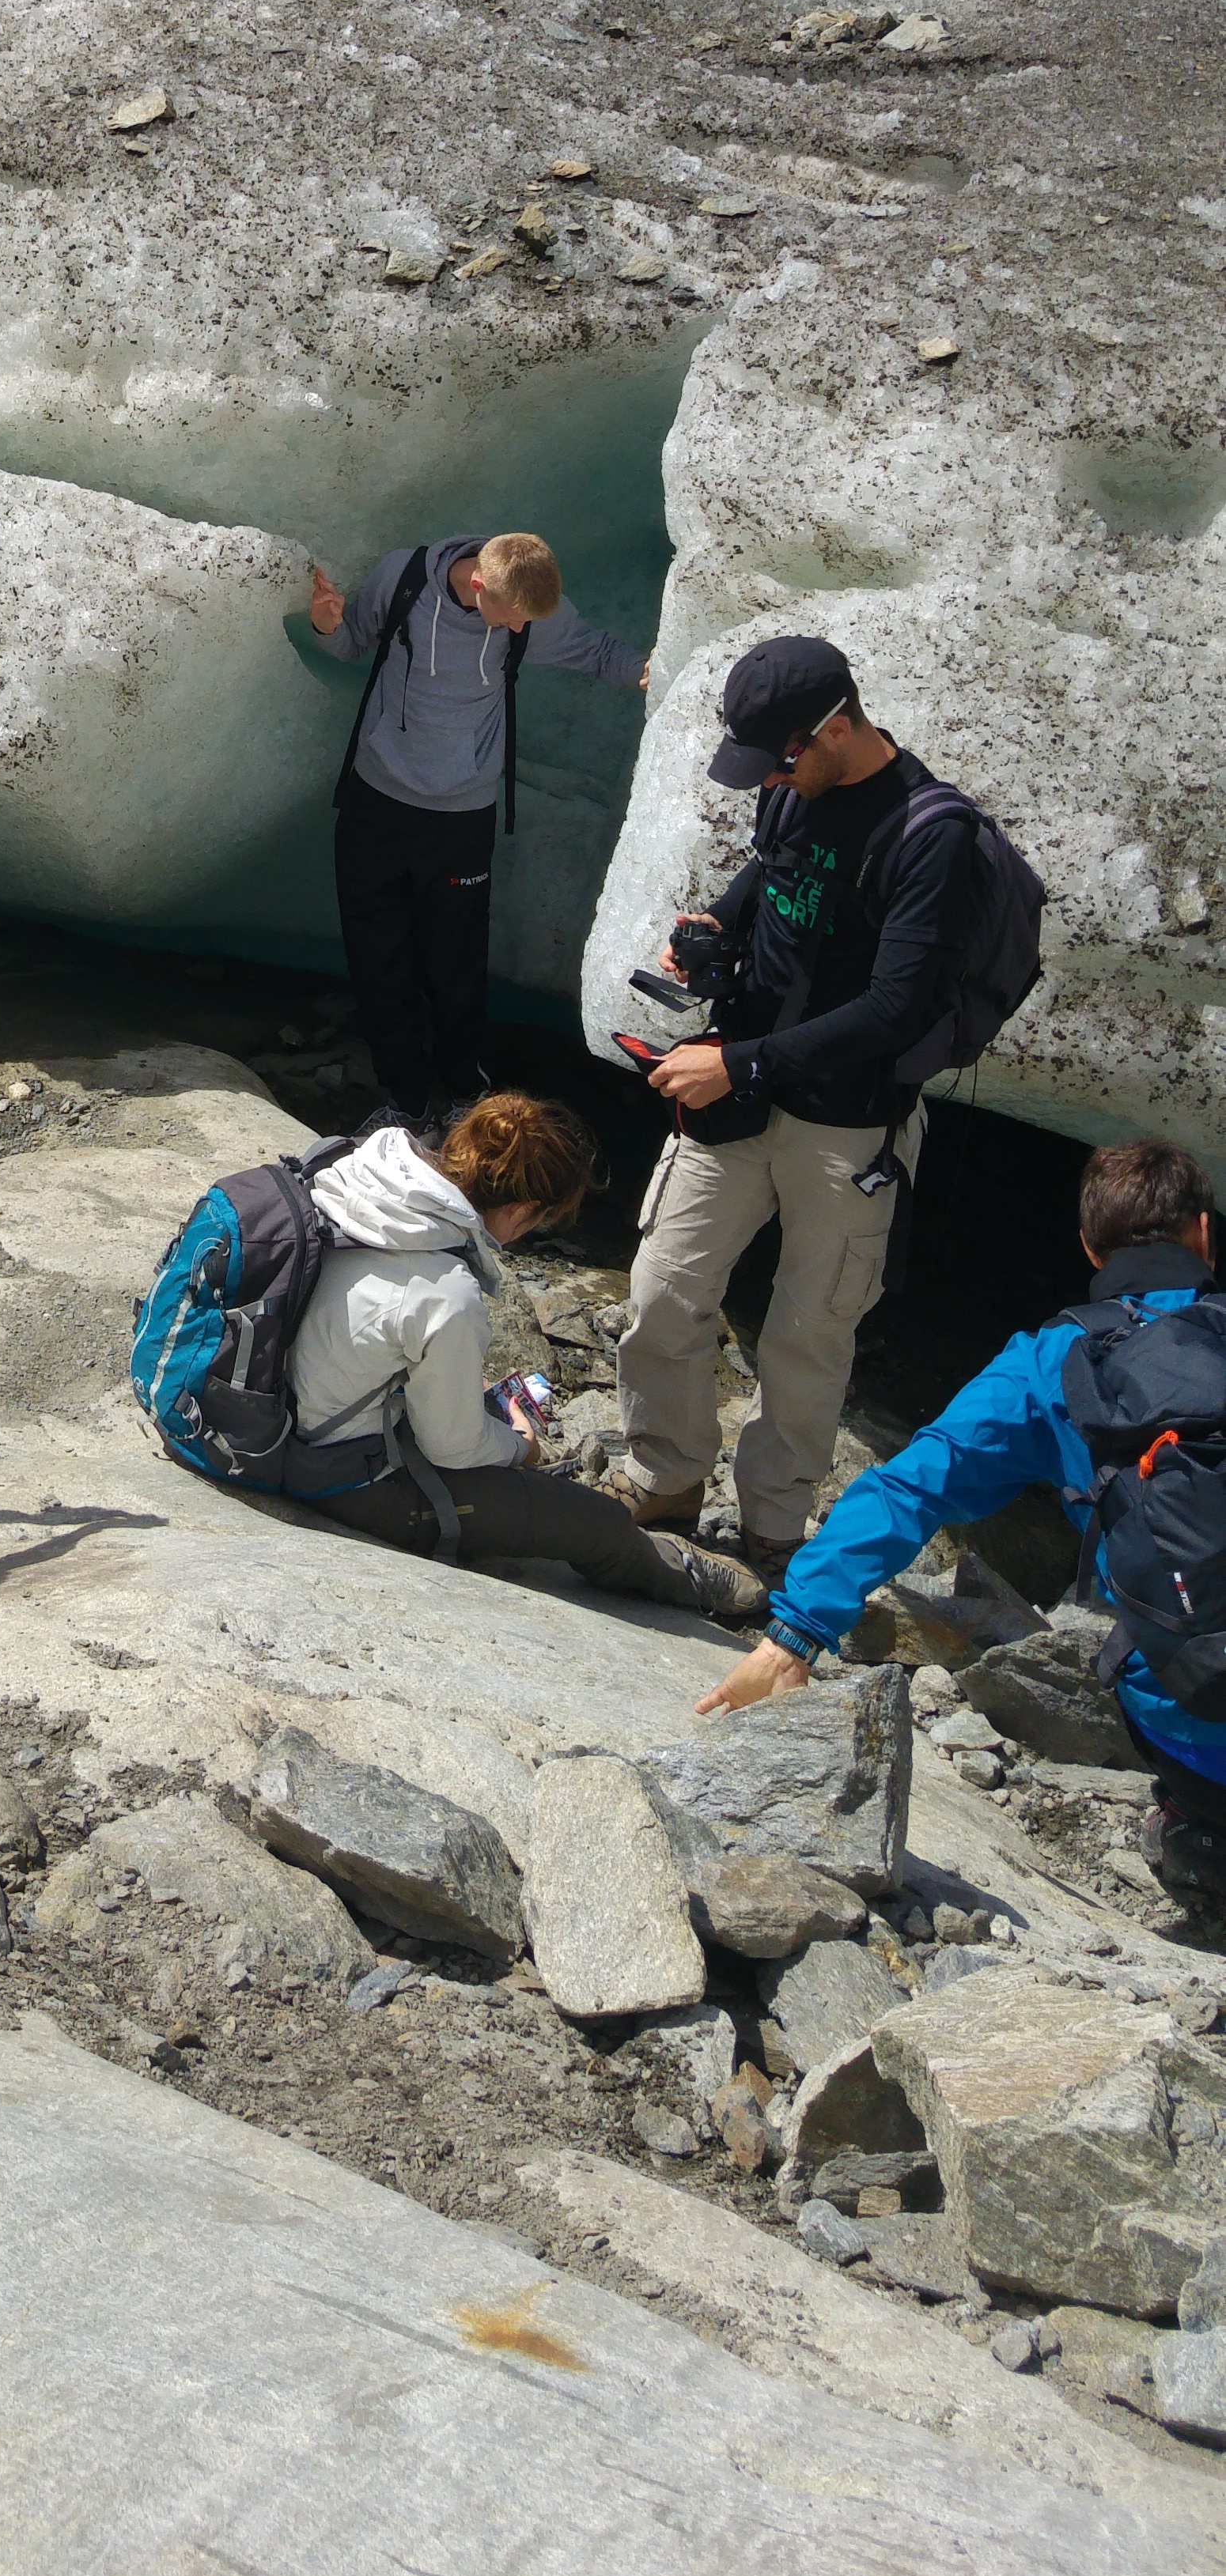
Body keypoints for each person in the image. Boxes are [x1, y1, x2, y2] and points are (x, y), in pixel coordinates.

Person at [694, 1137, 1226, 1906]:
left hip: (1195, 1705)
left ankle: (1199, 1827)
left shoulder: (1053, 1362)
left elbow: (911, 1488)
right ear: (1205, 1232)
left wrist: (797, 1631)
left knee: (1142, 1654)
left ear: (1088, 1247)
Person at [609, 631, 979, 1586]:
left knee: (809, 1331)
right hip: (739, 1090)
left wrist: (738, 1062)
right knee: (662, 1290)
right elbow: (771, 878)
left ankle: (772, 1530)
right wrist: (713, 932)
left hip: (845, 1119)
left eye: (780, 761)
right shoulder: (790, 785)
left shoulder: (930, 832)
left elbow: (895, 1007)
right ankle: (664, 1481)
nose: (770, 782)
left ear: (837, 726)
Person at [242, 1089, 766, 1626]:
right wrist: (520, 1449)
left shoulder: (360, 1170)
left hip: (256, 1398)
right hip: (331, 1470)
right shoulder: (446, 1293)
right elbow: (453, 1449)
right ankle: (687, 1579)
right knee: (589, 1520)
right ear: (519, 1210)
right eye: (540, 1219)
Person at [305, 527, 647, 1124]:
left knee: (455, 962)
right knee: (378, 956)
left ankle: (465, 1092)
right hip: (376, 801)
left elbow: (594, 652)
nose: (520, 630)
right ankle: (405, 1103)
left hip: (461, 816)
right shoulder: (404, 578)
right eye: (512, 617)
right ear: (479, 584)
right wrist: (329, 625)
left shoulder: (530, 611)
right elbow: (352, 643)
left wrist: (654, 671)